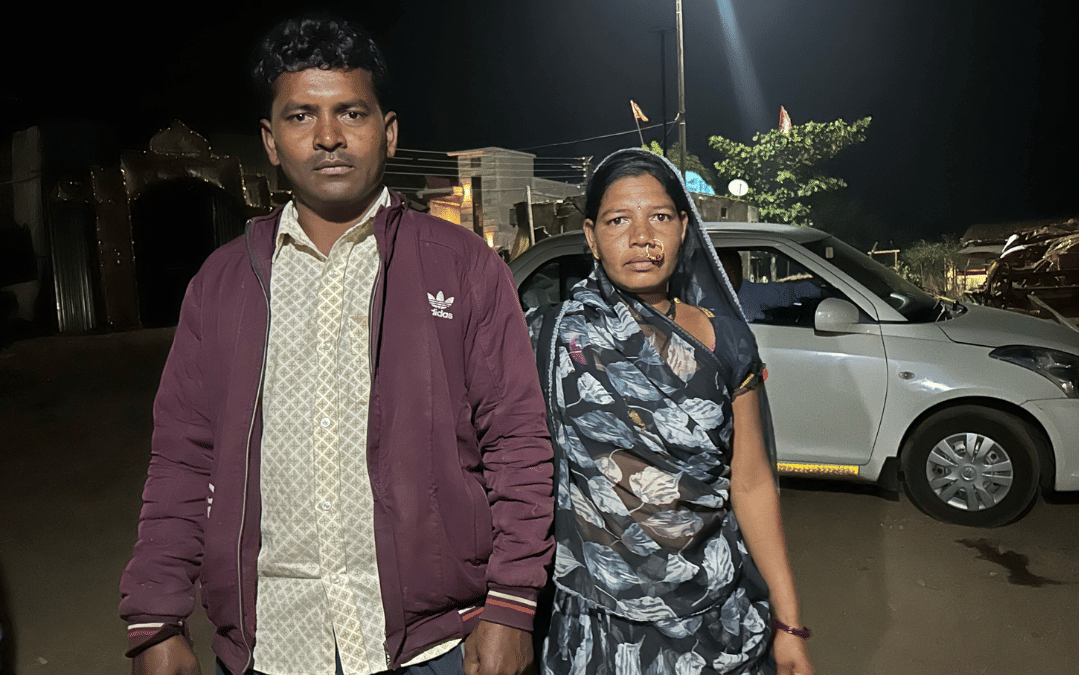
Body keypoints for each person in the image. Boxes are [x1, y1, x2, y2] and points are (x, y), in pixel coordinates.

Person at [118, 16, 554, 675]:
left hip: (433, 647)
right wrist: (155, 615)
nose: (327, 136)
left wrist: (512, 601)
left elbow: (517, 443)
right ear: (270, 139)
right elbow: (182, 459)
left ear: (389, 130)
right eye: (301, 116)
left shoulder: (462, 267)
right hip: (270, 649)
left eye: (350, 111)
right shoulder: (224, 284)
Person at [527, 149, 815, 675]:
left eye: (659, 216)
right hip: (598, 626)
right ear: (591, 237)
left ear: (684, 228)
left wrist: (789, 623)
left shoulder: (725, 340)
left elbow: (750, 483)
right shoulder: (549, 337)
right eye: (619, 220)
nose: (641, 237)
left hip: (716, 615)